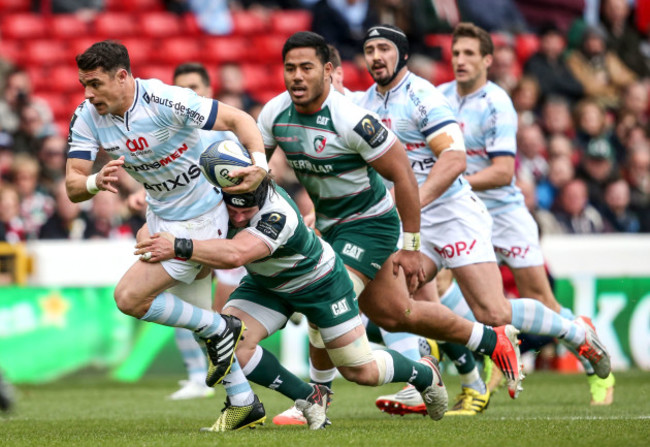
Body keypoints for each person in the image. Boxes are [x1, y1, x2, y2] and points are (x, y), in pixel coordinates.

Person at [258, 31, 523, 424]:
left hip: (372, 225)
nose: (296, 76)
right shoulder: (274, 114)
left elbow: (405, 176)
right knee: (401, 314)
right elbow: (257, 172)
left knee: (321, 297)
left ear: (329, 72)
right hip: (332, 225)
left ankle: (317, 399)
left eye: (306, 68)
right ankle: (491, 339)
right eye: (290, 68)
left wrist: (412, 246)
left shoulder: (354, 119)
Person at [357, 23, 611, 411]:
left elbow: (465, 162)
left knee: (494, 311)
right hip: (419, 217)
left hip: (469, 209)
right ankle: (434, 381)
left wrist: (412, 202)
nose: (376, 56)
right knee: (398, 301)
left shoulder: (445, 98)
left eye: (384, 49)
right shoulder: (371, 103)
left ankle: (577, 332)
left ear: (403, 54)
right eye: (369, 49)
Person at [65, 40, 268, 431]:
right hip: (160, 217)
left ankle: (221, 328)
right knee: (199, 325)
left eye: (94, 83)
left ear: (122, 76)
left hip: (203, 215)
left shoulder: (165, 99)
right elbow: (73, 186)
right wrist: (94, 181)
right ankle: (244, 402)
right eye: (82, 84)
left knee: (129, 297)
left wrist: (259, 164)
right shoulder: (87, 116)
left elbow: (239, 119)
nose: (88, 94)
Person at [136, 176, 450, 428]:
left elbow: (236, 254)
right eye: (235, 209)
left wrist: (178, 245)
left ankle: (424, 373)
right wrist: (150, 234)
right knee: (226, 339)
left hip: (321, 283)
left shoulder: (277, 211)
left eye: (249, 209)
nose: (242, 216)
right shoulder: (212, 201)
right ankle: (308, 398)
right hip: (267, 285)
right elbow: (153, 228)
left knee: (360, 372)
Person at [439, 22, 615, 406]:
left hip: (503, 211)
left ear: (487, 60)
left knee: (543, 300)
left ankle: (590, 355)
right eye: (456, 53)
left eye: (470, 53)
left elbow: (503, 171)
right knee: (437, 283)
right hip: (460, 212)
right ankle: (490, 356)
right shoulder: (439, 97)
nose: (461, 60)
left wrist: (450, 181)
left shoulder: (497, 102)